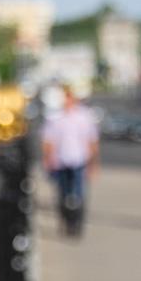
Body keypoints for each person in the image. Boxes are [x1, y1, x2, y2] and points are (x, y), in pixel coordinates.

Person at [41, 85, 99, 236]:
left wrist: (93, 163)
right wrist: (47, 160)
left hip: (79, 160)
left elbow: (92, 141)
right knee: (63, 194)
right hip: (60, 162)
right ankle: (65, 221)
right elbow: (48, 141)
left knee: (79, 195)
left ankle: (77, 223)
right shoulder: (55, 117)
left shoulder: (84, 117)